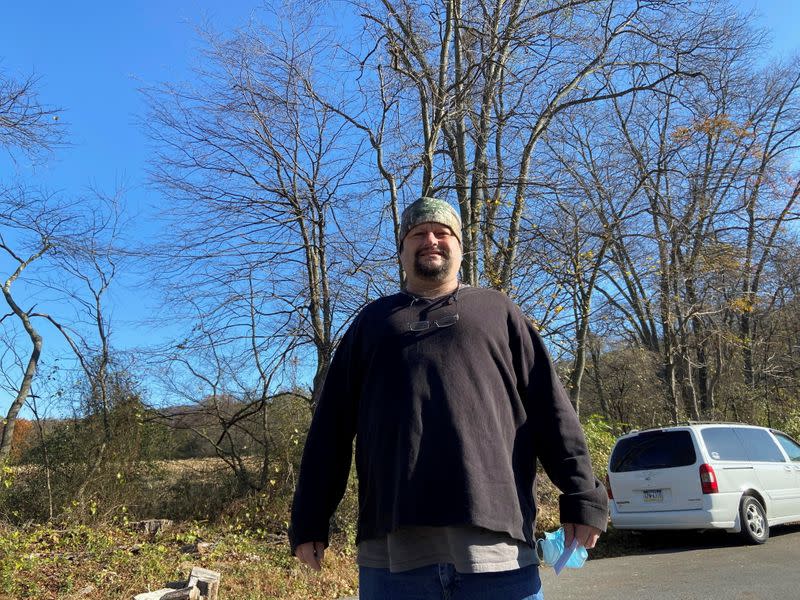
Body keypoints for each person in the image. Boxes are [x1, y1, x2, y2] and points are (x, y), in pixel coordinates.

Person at [289, 196, 607, 599]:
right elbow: (330, 431)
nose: (431, 240)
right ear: (402, 250)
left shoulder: (497, 311)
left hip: (498, 551)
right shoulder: (372, 324)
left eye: (443, 233)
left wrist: (583, 497)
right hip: (393, 559)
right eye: (418, 234)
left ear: (460, 246)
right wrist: (310, 519)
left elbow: (552, 410)